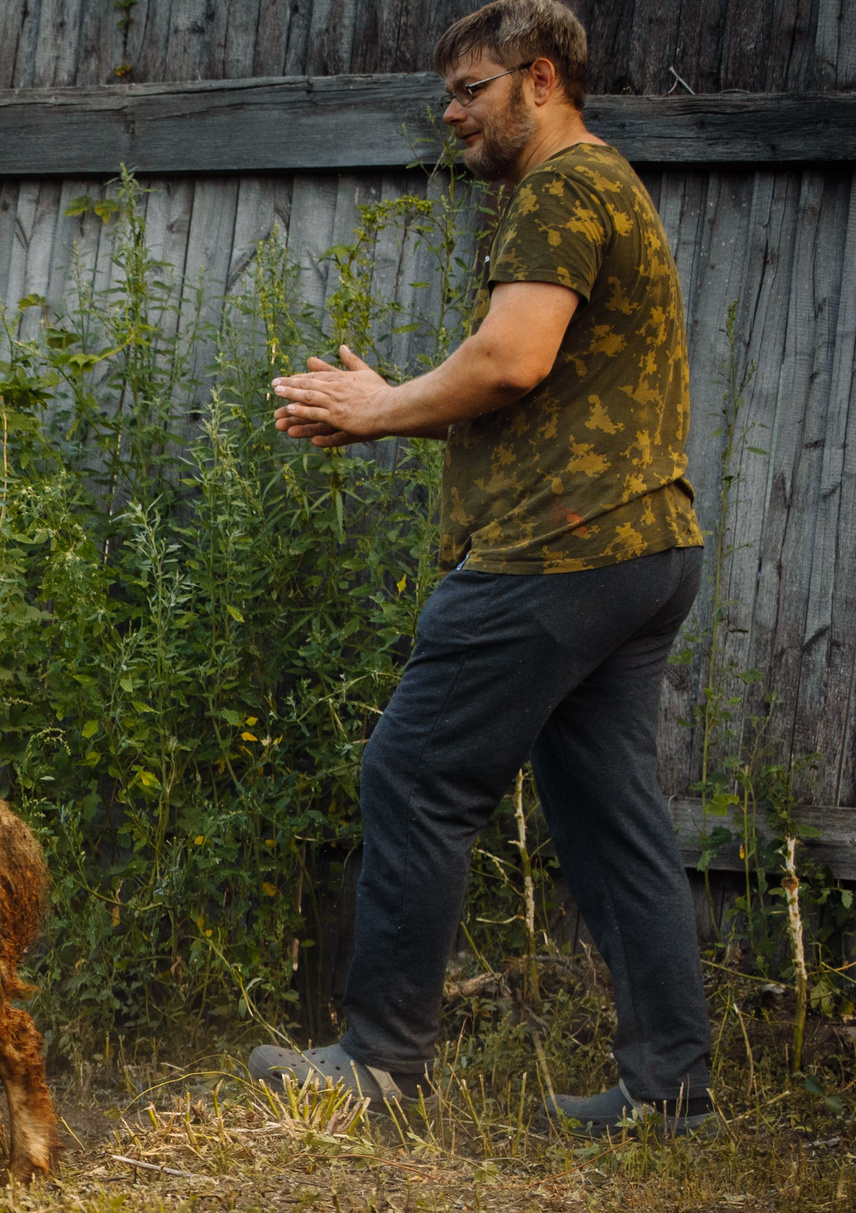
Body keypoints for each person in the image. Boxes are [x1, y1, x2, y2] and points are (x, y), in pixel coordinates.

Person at [249, 0, 715, 1135]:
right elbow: (529, 374)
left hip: (554, 553)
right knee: (613, 823)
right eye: (450, 93)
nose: (451, 112)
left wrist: (376, 409)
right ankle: (668, 1094)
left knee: (414, 777)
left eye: (470, 89)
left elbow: (509, 362)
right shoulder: (608, 188)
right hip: (640, 548)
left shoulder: (561, 189)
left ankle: (381, 1061)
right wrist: (398, 405)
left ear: (540, 80)